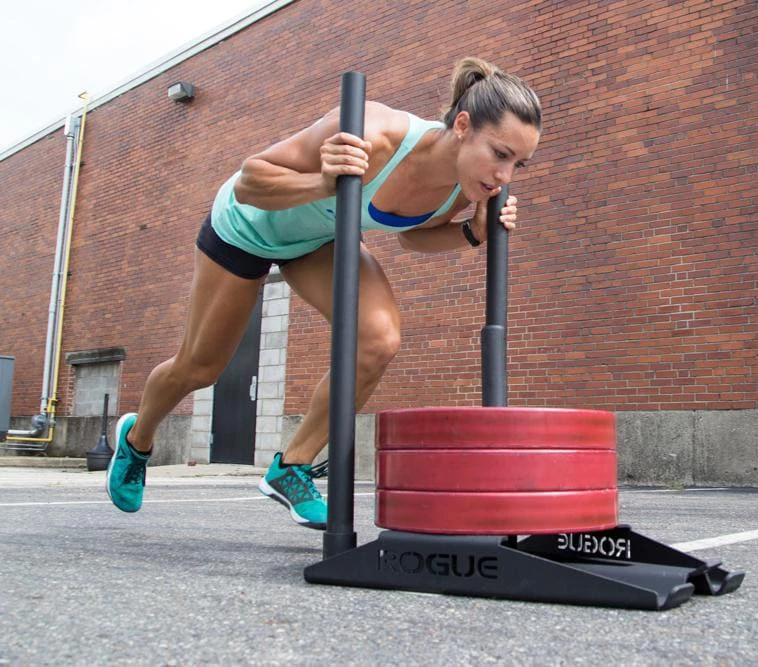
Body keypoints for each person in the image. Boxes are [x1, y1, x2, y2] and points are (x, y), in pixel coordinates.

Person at [105, 57, 542, 529]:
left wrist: (471, 233)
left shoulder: (462, 189)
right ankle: (137, 438)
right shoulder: (373, 134)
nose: (505, 175)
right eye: (500, 154)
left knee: (378, 339)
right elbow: (251, 182)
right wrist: (322, 182)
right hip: (246, 228)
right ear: (462, 126)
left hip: (317, 241)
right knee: (199, 367)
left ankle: (291, 467)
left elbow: (411, 236)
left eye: (517, 163)